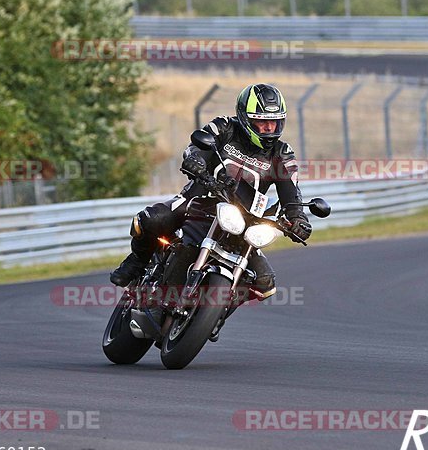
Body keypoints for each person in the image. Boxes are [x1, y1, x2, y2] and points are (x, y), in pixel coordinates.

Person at [110, 83, 312, 297]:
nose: (269, 129)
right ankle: (137, 262)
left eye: (274, 122)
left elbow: (292, 195)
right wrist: (195, 160)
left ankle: (215, 318)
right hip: (199, 199)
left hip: (244, 219)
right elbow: (195, 147)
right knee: (151, 219)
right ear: (245, 117)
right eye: (262, 122)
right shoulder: (224, 127)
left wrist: (298, 219)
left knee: (265, 284)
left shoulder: (282, 153)